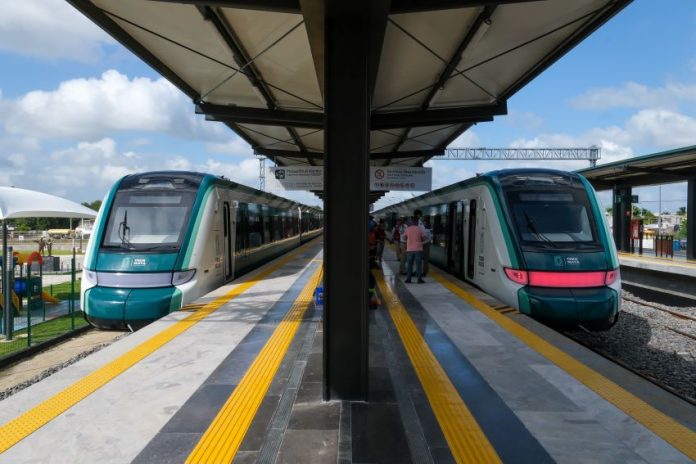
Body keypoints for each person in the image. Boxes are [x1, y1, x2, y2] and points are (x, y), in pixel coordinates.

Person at [403, 216, 426, 283]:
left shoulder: (407, 229)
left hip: (409, 249)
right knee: (418, 265)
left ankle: (408, 279)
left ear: (412, 222)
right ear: (417, 222)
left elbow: (404, 238)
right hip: (418, 249)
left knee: (409, 265)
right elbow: (424, 238)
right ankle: (419, 279)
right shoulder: (420, 229)